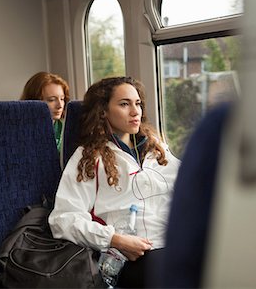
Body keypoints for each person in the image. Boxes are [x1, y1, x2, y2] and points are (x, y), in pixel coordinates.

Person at [48, 76, 181, 288]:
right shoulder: (89, 157)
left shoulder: (157, 150)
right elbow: (63, 219)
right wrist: (114, 239)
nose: (135, 111)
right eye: (124, 104)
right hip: (132, 256)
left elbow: (189, 189)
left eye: (137, 103)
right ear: (103, 111)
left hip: (176, 243)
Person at [21, 72, 70, 152]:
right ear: (34, 100)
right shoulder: (23, 132)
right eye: (52, 100)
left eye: (62, 99)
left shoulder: (67, 129)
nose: (60, 106)